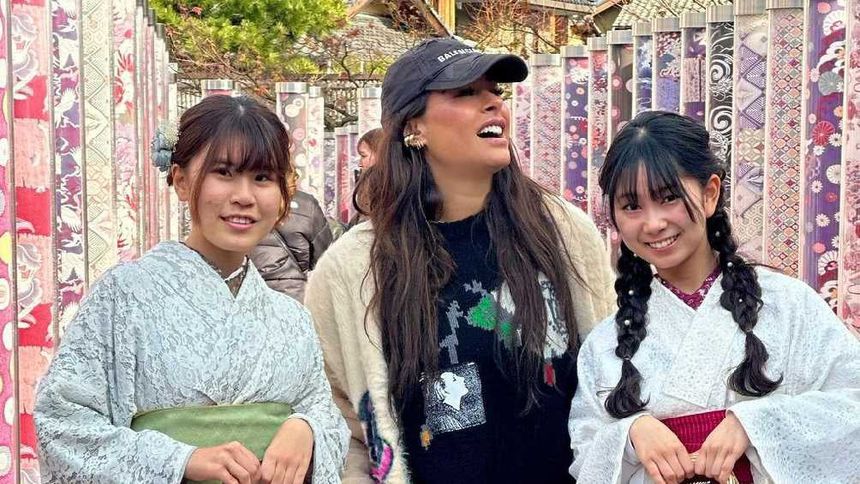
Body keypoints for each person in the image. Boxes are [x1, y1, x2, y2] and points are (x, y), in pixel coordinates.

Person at [304, 37, 615, 483]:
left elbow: (608, 375)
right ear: (413, 127)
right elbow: (340, 421)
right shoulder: (352, 270)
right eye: (466, 92)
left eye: (495, 92)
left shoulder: (563, 232)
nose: (493, 104)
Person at [34, 95, 349, 484]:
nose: (245, 196)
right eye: (224, 172)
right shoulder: (125, 295)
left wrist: (306, 429)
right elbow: (62, 423)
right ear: (181, 181)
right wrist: (180, 460)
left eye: (263, 177)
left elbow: (323, 412)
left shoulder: (291, 318)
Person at [568, 111, 860, 484]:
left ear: (709, 194)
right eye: (631, 206)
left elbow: (852, 403)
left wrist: (756, 425)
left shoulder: (789, 305)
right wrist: (628, 436)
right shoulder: (606, 343)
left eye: (669, 197)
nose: (653, 223)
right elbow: (583, 453)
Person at [251, 170, 333, 302]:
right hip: (297, 299)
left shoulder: (242, 202)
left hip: (251, 296)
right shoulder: (307, 204)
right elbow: (325, 258)